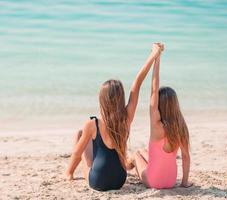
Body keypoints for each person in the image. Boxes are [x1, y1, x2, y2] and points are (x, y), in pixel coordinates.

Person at [64, 43, 163, 191]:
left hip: (98, 182)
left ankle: (67, 174)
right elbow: (137, 84)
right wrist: (154, 55)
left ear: (102, 100)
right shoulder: (126, 117)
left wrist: (70, 172)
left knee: (79, 136)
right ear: (121, 97)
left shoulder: (93, 124)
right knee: (85, 137)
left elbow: (77, 154)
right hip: (119, 179)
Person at [130, 43, 192, 189]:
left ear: (160, 106)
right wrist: (184, 183)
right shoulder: (181, 128)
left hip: (153, 181)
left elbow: (153, 89)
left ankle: (128, 163)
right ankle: (138, 157)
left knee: (135, 155)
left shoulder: (156, 124)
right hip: (170, 181)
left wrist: (157, 59)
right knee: (144, 151)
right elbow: (186, 157)